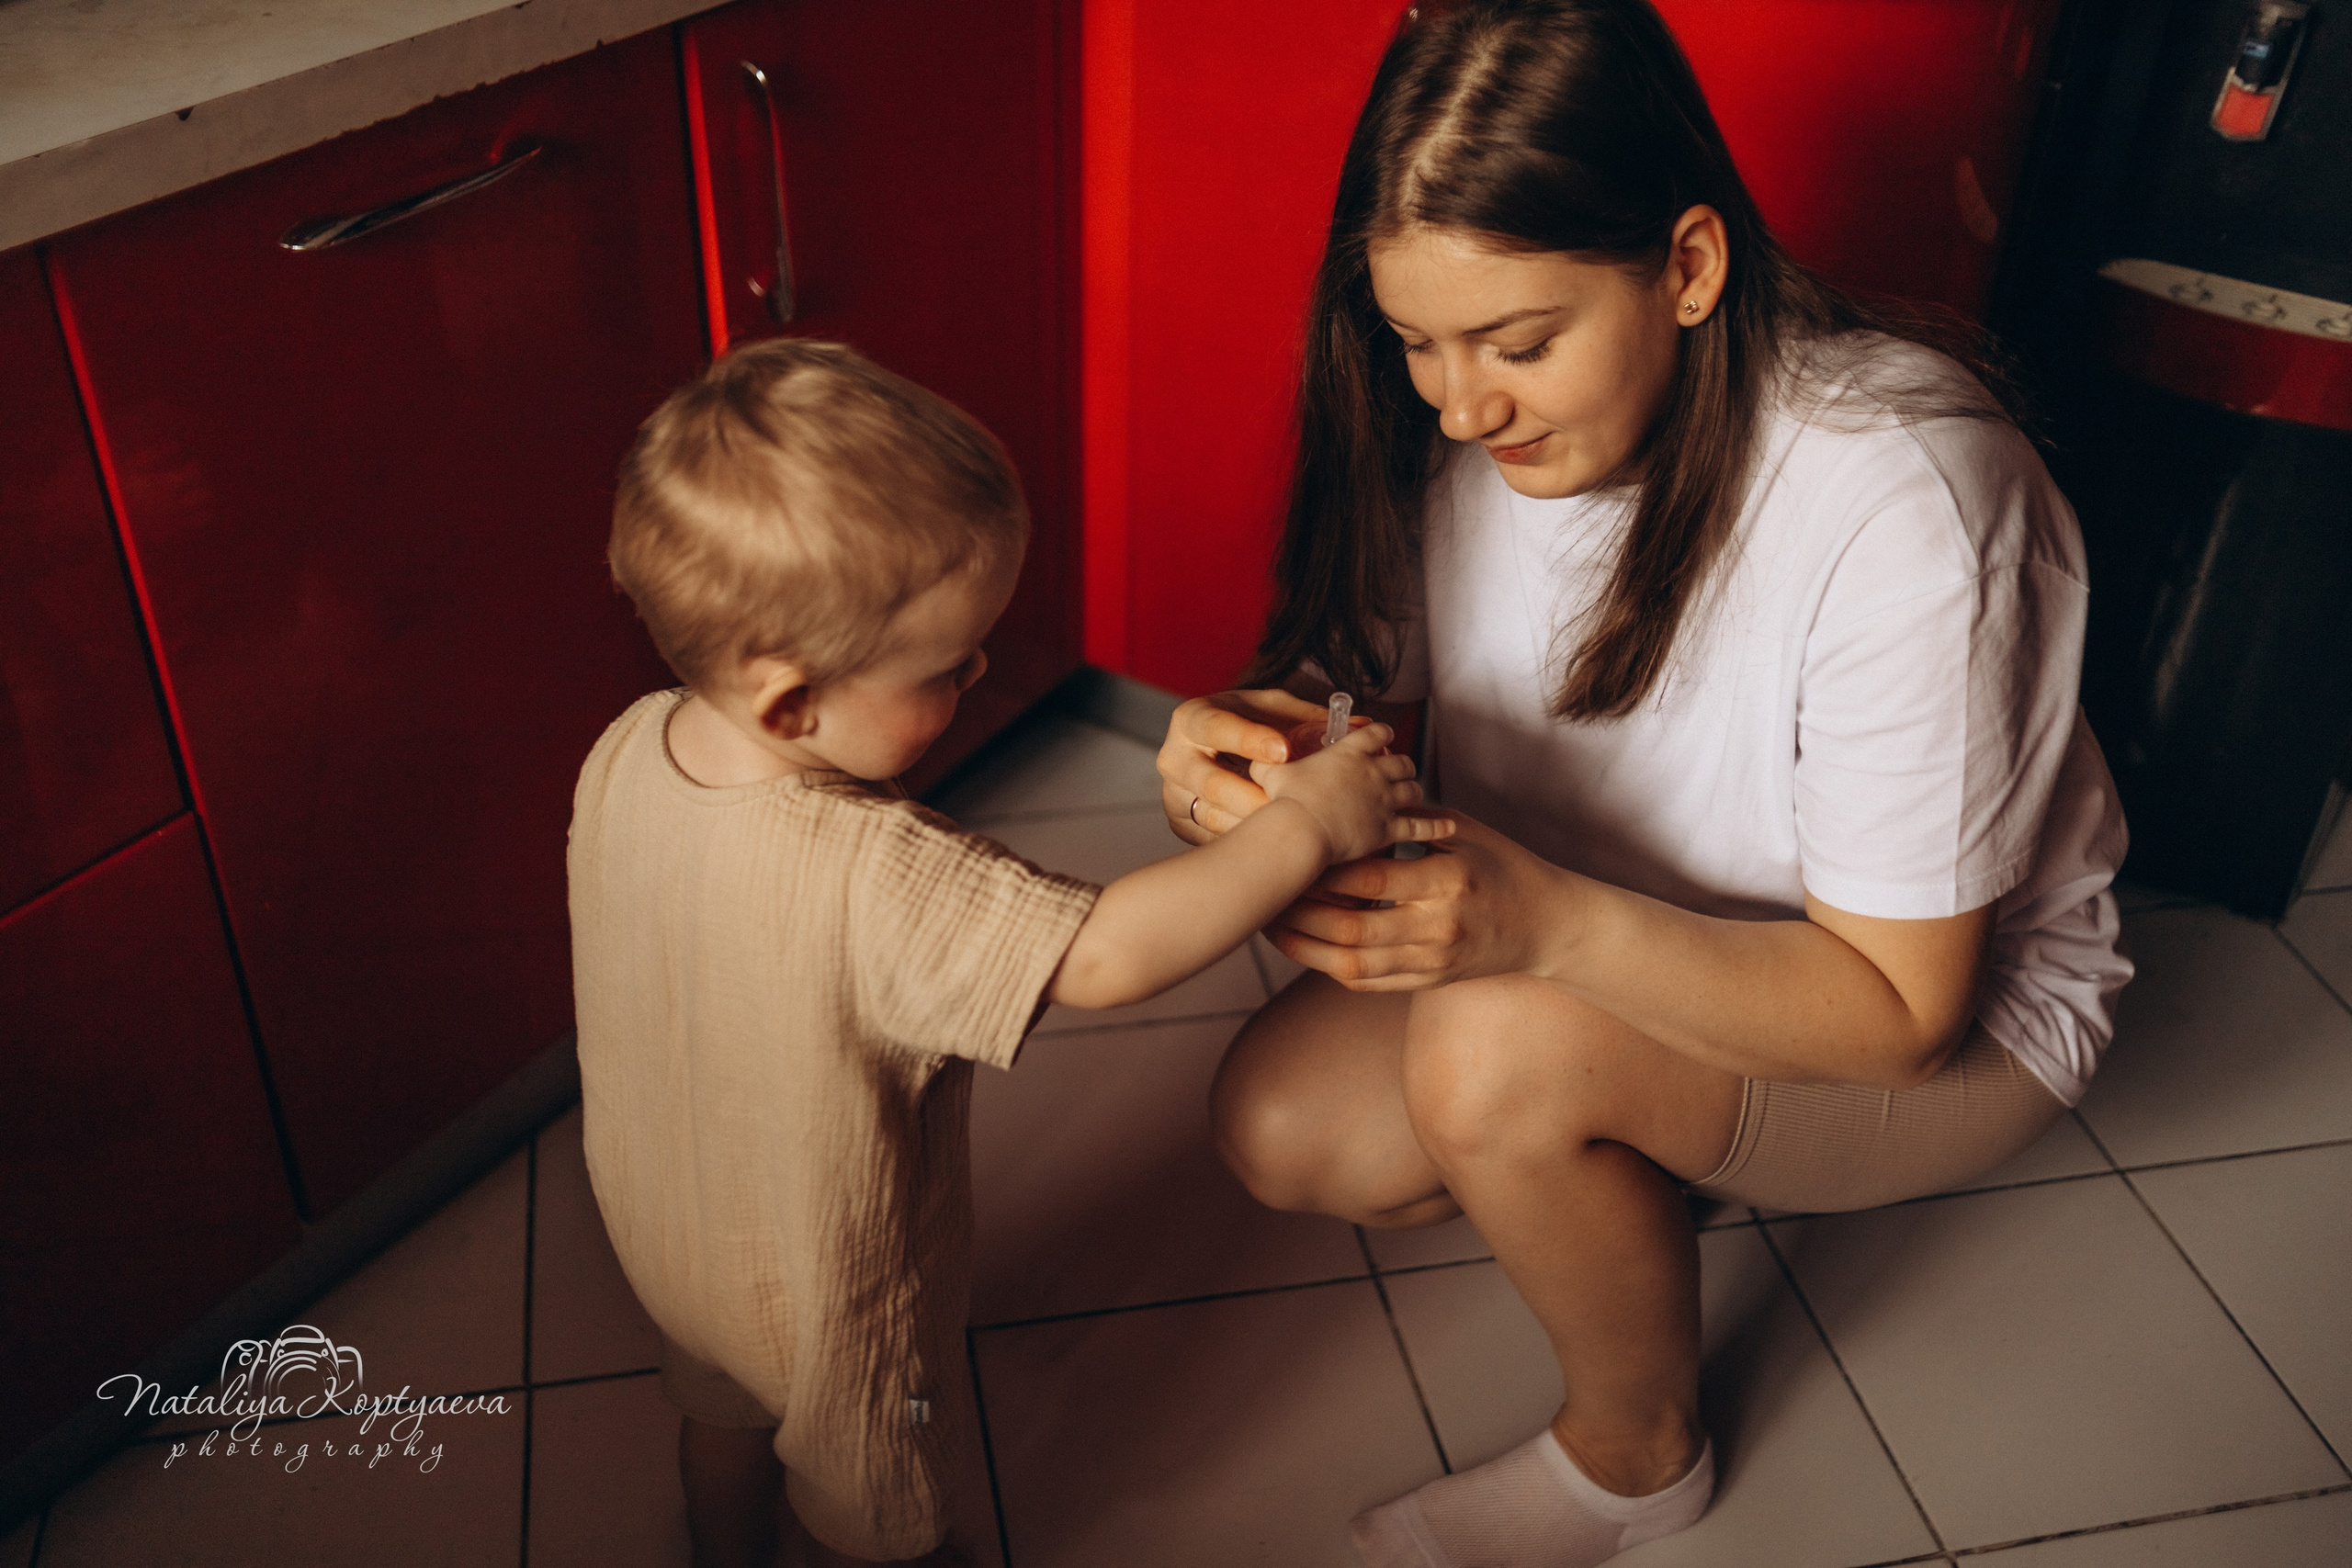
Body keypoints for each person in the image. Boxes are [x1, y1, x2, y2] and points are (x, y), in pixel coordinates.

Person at [1153, 4, 2132, 1566]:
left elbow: (1904, 1013)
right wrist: (1259, 757)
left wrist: (1538, 929)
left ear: (1687, 267)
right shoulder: (1454, 429)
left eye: (1518, 344)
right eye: (1415, 340)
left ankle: (1637, 1460)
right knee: (1285, 1125)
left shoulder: (1907, 495)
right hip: (1623, 931)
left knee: (1488, 1055)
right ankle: (1630, 1145)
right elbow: (1369, 703)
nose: (1461, 406)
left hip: (1931, 1014)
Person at [567, 337, 1450, 1567]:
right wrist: (1304, 829)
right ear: (789, 702)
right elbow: (1103, 955)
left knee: (719, 1418)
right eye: (944, 668)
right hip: (831, 1292)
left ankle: (720, 1551)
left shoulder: (630, 747)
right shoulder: (873, 871)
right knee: (873, 1487)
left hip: (673, 1237)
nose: (980, 673)